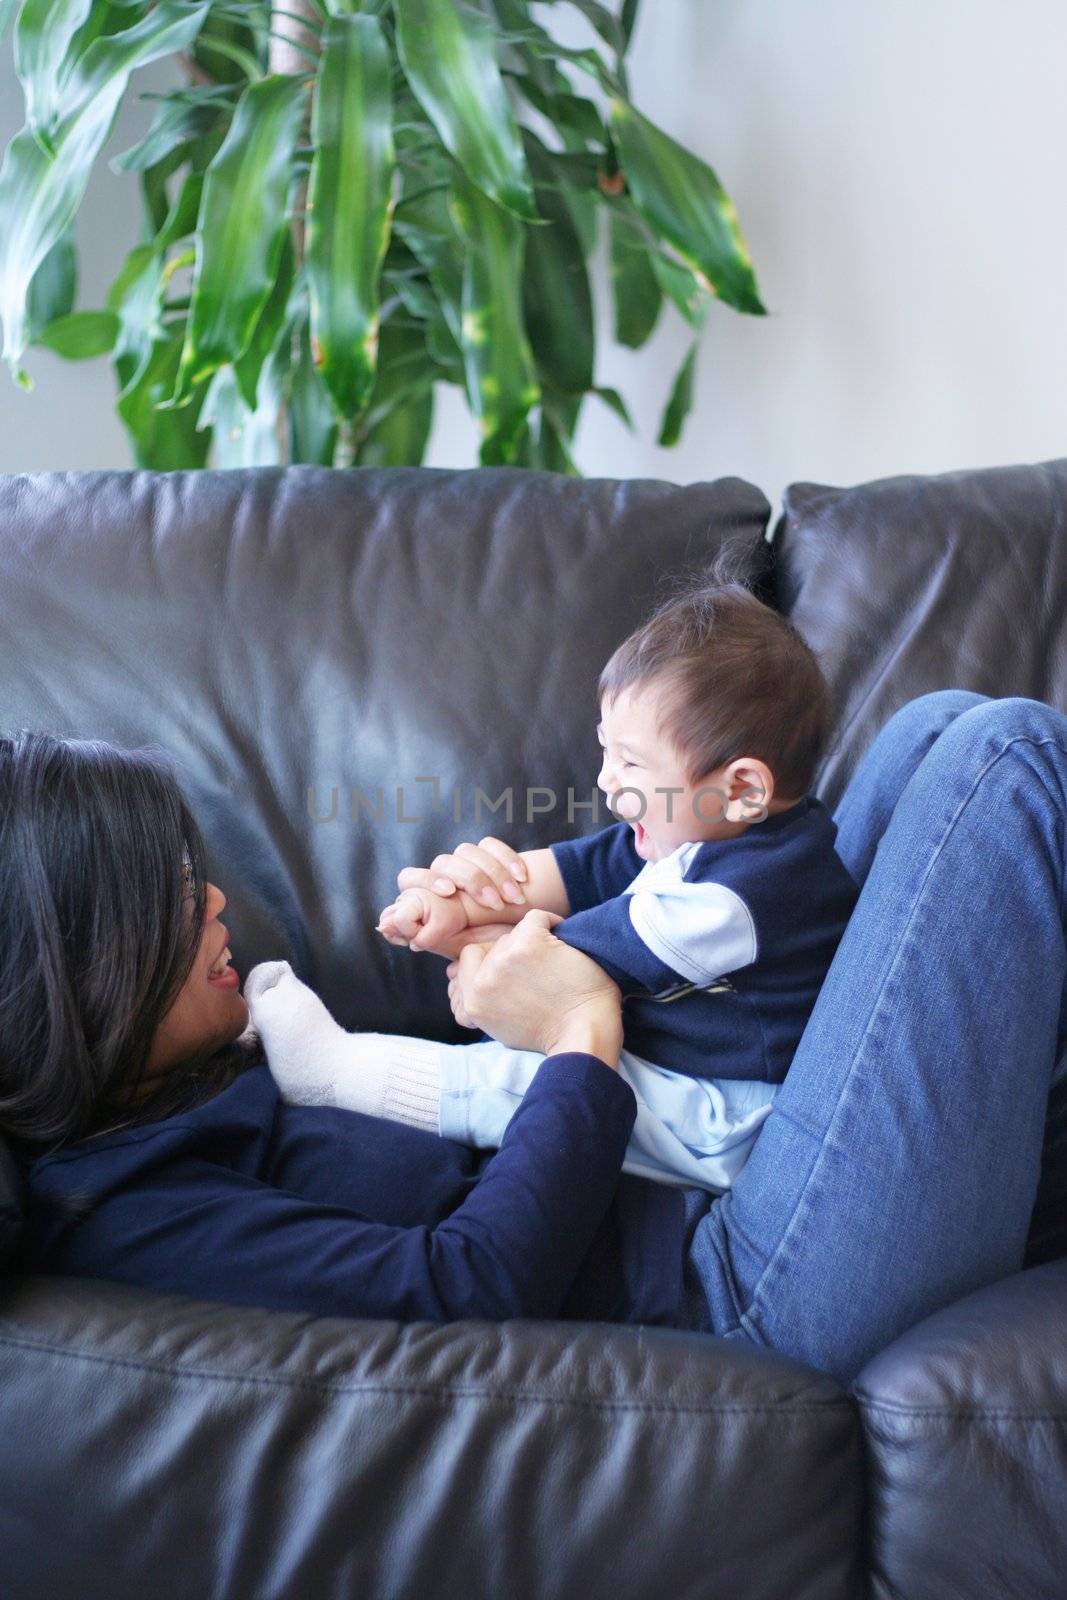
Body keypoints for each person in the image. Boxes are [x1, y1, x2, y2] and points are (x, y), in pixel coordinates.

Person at [3, 687, 1067, 1385]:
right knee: (999, 755)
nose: (218, 903)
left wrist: (487, 918)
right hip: (740, 1291)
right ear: (85, 958)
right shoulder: (140, 1214)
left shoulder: (195, 1073)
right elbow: (467, 1282)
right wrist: (576, 1036)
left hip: (730, 1162)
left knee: (932, 727)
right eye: (180, 895)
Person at [247, 577, 861, 1193]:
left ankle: (334, 1073)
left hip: (720, 1114)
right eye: (604, 751)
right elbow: (577, 870)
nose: (605, 781)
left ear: (742, 789)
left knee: (516, 1077)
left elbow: (566, 964)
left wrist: (475, 945)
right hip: (671, 1064)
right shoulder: (700, 831)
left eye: (631, 762)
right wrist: (454, 901)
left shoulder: (743, 897)